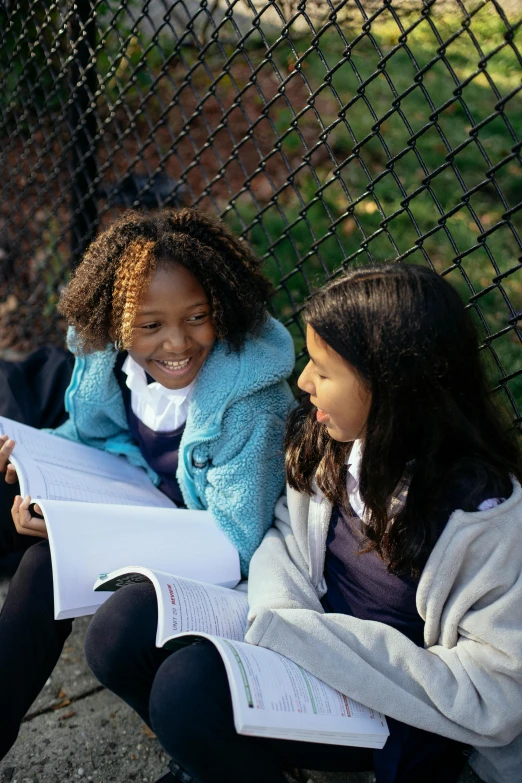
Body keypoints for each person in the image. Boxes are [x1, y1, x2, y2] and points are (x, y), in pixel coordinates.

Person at [85, 263, 521, 783]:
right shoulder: (330, 448)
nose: (303, 381)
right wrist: (283, 617)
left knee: (187, 693)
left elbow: (493, 693)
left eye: (323, 369)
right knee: (120, 628)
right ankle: (224, 764)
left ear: (391, 386)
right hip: (299, 633)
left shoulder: (481, 515)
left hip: (401, 709)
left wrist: (307, 639)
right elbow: (284, 535)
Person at [0, 207, 294, 761]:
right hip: (150, 516)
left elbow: (238, 542)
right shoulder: (111, 364)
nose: (177, 343)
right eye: (150, 325)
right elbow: (95, 436)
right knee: (41, 561)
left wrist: (90, 536)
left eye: (197, 316)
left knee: (96, 613)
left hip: (231, 570)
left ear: (222, 307)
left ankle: (207, 748)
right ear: (115, 324)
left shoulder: (252, 403)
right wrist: (40, 476)